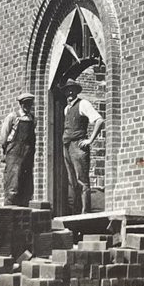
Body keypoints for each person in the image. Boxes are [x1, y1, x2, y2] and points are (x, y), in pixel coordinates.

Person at [61, 79, 103, 214]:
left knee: (82, 181)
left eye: (73, 89)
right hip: (67, 146)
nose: (70, 92)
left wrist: (90, 140)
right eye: (68, 89)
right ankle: (75, 212)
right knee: (71, 181)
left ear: (77, 91)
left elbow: (99, 120)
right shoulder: (66, 109)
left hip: (78, 146)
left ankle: (85, 213)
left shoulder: (83, 104)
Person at [0, 92, 37, 207]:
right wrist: (6, 151)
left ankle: (24, 209)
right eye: (25, 103)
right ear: (20, 104)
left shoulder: (33, 118)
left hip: (27, 153)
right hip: (14, 152)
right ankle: (9, 208)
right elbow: (3, 136)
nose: (27, 106)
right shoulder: (13, 117)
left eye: (29, 103)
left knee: (26, 182)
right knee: (13, 181)